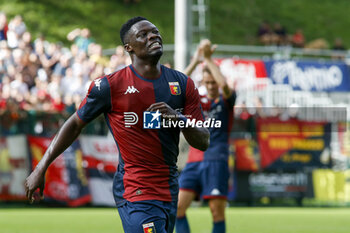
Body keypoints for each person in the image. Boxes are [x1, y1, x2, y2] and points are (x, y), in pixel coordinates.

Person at [25, 16, 209, 233]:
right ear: (128, 48)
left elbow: (203, 140)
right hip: (135, 190)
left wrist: (179, 119)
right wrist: (40, 167)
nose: (153, 36)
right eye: (143, 34)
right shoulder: (109, 86)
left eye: (154, 31)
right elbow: (74, 124)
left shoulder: (182, 83)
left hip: (169, 188)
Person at [176, 39, 236, 233]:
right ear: (202, 82)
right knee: (177, 209)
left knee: (216, 213)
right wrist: (196, 60)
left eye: (213, 82)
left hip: (216, 160)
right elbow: (176, 84)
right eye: (207, 82)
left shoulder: (226, 101)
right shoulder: (198, 102)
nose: (211, 86)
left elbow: (224, 86)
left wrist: (209, 60)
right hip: (193, 161)